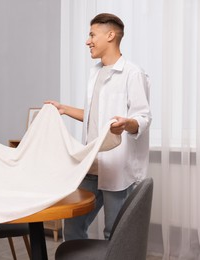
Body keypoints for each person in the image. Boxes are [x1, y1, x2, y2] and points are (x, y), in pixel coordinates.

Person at [46, 13, 151, 240]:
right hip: (91, 165)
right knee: (72, 228)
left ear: (110, 35)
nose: (87, 41)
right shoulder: (95, 73)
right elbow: (96, 117)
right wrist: (64, 108)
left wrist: (127, 124)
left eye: (92, 34)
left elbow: (143, 118)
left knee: (113, 233)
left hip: (116, 167)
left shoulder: (133, 73)